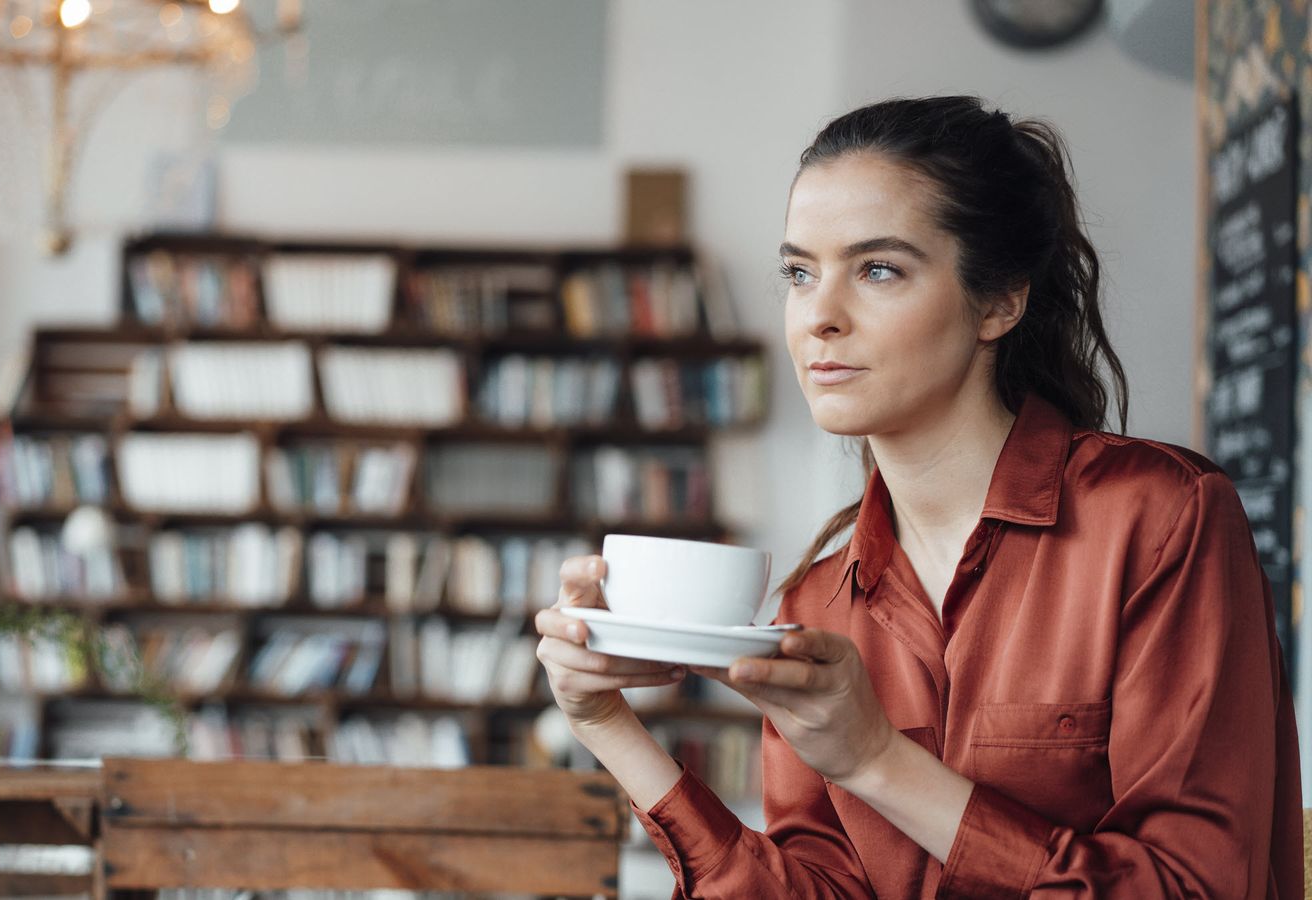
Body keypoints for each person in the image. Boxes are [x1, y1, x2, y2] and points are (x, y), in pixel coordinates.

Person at [535, 96, 1302, 898]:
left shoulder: (1161, 518)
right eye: (800, 273)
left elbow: (1201, 887)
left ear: (1000, 300)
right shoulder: (820, 603)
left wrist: (875, 761)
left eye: (878, 270)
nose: (819, 318)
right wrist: (606, 724)